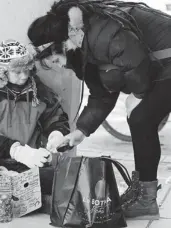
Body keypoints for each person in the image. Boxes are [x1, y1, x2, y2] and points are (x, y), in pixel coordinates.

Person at [27, 0, 171, 220]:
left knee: (141, 118)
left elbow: (136, 61)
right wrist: (80, 131)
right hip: (159, 64)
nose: (58, 65)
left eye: (54, 59)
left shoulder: (99, 32)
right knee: (141, 119)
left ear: (62, 44)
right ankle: (143, 192)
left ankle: (146, 198)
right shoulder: (82, 51)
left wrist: (138, 95)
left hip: (166, 56)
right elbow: (102, 94)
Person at [0, 39, 70, 213]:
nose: (24, 76)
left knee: (63, 177)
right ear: (2, 71)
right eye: (17, 72)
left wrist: (57, 133)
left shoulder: (39, 90)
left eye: (27, 70)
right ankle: (27, 196)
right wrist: (15, 150)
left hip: (27, 166)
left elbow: (56, 117)